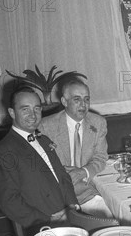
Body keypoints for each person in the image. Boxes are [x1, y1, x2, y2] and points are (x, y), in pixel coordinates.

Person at [0, 88, 79, 229]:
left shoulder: (43, 140)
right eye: (25, 109)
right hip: (43, 226)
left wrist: (72, 206)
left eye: (37, 109)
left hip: (68, 217)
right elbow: (8, 200)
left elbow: (63, 176)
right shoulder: (4, 150)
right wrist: (49, 220)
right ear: (12, 113)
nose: (33, 115)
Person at [40, 77, 111, 216]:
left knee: (109, 224)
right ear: (64, 101)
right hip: (57, 193)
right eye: (77, 99)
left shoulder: (98, 123)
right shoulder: (46, 126)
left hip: (87, 191)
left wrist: (83, 171)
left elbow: (101, 157)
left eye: (86, 99)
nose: (83, 105)